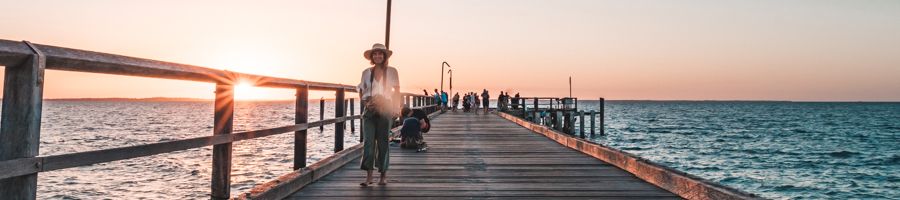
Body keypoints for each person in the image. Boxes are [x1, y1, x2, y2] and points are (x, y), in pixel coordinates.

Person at [357, 43, 401, 187]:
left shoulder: (392, 71)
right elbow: (360, 89)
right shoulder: (366, 72)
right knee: (369, 142)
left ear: (384, 56)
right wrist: (364, 103)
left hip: (386, 108)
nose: (377, 56)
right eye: (375, 54)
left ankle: (383, 176)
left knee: (383, 142)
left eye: (380, 54)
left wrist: (396, 107)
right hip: (370, 109)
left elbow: (397, 91)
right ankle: (369, 176)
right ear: (371, 57)